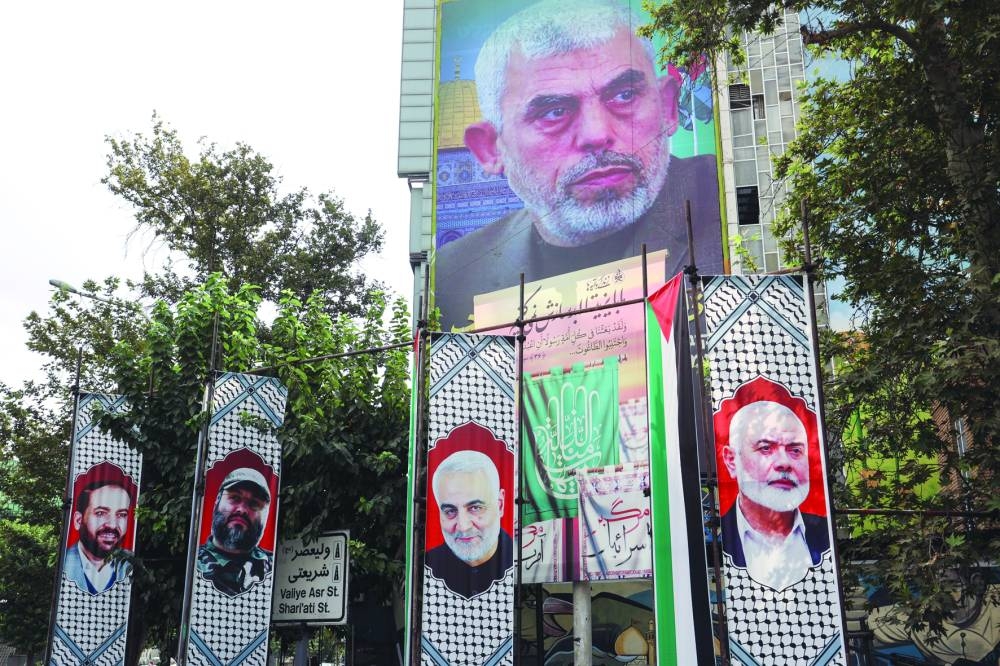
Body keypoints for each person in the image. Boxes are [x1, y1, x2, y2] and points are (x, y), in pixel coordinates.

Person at [434, 0, 722, 328]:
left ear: (668, 108)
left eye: (624, 95)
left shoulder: (726, 206)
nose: (597, 134)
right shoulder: (454, 280)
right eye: (554, 112)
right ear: (490, 149)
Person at [720, 400, 830, 589]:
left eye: (795, 450)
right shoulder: (718, 535)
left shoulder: (826, 534)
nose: (784, 463)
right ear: (731, 461)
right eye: (765, 448)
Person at [425, 450, 513, 598]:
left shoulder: (519, 563)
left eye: (475, 508)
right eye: (450, 511)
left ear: (500, 505)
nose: (463, 526)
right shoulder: (429, 569)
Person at [196, 467, 273, 597]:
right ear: (217, 502)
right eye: (235, 498)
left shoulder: (274, 568)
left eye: (254, 504)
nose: (242, 510)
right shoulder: (192, 564)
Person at [64, 480, 133, 595]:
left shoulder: (133, 564)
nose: (112, 525)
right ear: (78, 520)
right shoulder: (63, 563)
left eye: (121, 515)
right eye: (100, 513)